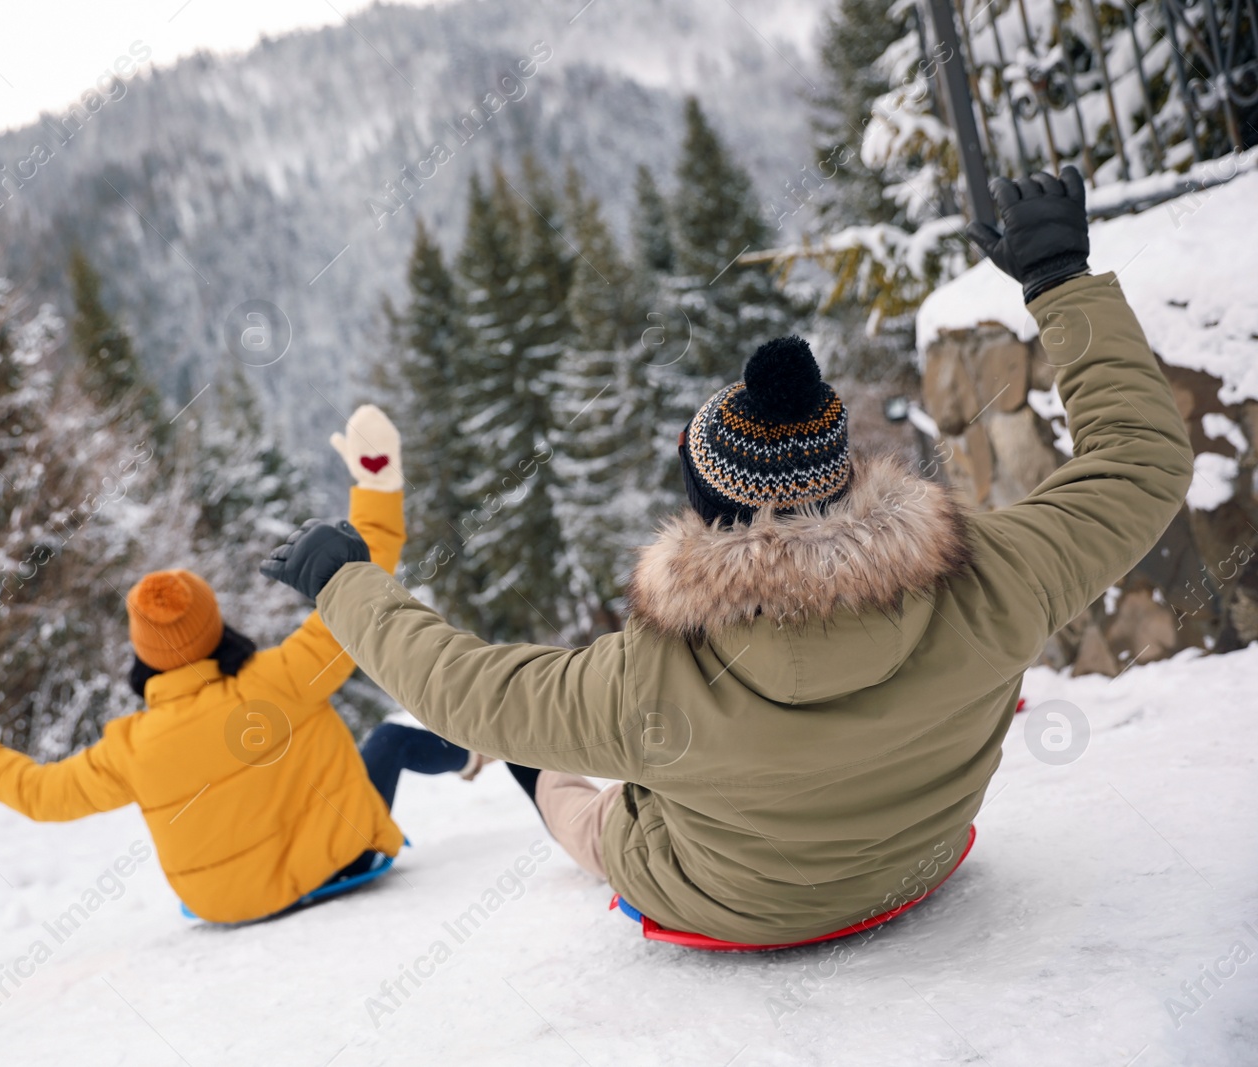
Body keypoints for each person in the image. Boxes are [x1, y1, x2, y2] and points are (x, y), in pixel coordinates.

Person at [259, 169, 1194, 945]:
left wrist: (342, 578)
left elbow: (467, 689)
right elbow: (1142, 463)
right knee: (571, 740)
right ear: (848, 474)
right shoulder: (994, 569)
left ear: (707, 511)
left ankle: (548, 784)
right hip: (919, 856)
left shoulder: (651, 672)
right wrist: (1061, 279)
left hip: (728, 907)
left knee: (564, 786)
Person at [0, 405, 480, 924]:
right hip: (338, 863)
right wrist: (375, 485)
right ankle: (477, 750)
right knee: (391, 740)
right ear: (218, 629)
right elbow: (361, 586)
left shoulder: (130, 747)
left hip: (224, 905)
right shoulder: (283, 678)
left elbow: (39, 794)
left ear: (143, 657)